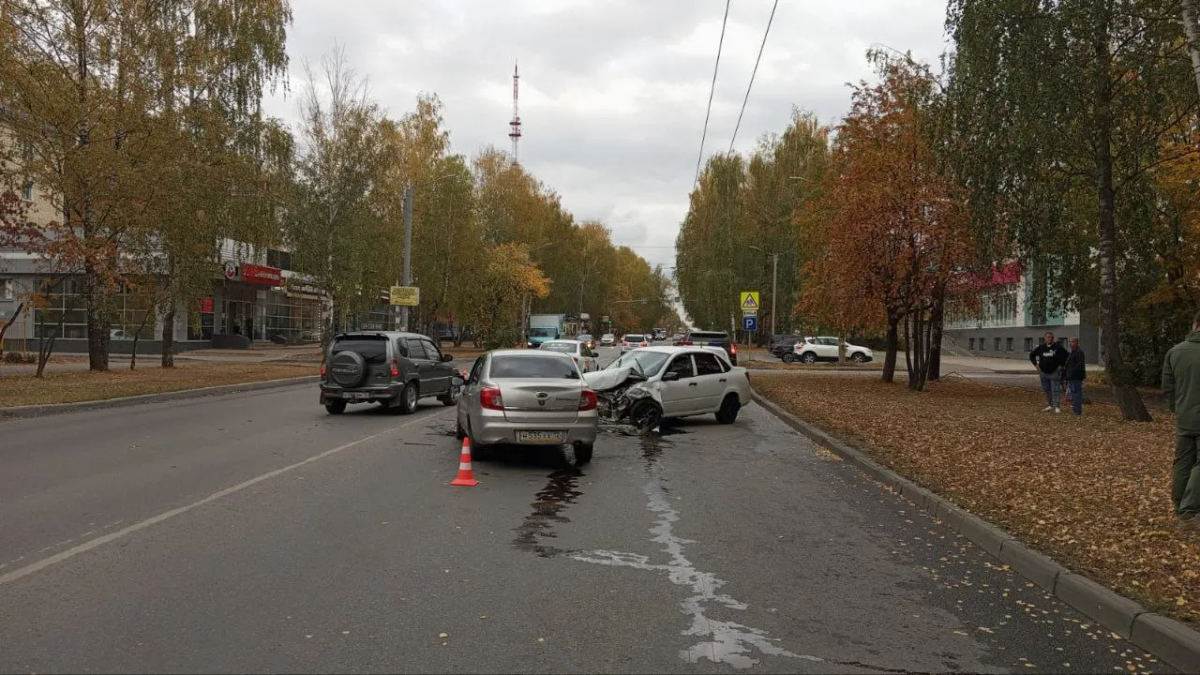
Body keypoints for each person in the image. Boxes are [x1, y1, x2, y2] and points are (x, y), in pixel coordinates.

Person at [1162, 311, 1200, 522]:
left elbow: (1168, 386)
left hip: (1185, 415)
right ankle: (1189, 508)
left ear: (1195, 324)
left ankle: (1178, 502)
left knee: (1183, 461)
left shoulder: (1175, 352)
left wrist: (1179, 406)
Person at [1030, 331, 1069, 413]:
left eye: (1051, 337)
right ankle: (1050, 405)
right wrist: (1036, 366)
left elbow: (1067, 356)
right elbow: (1031, 355)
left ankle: (1057, 406)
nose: (1050, 339)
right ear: (1045, 338)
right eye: (1048, 337)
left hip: (1054, 372)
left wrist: (1061, 366)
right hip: (1043, 373)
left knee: (1055, 389)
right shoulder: (1041, 348)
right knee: (1047, 389)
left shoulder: (1058, 348)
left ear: (1053, 338)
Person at [1063, 337, 1086, 416]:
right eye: (1069, 342)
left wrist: (1072, 372)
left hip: (1076, 376)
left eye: (1072, 342)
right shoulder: (1072, 352)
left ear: (1076, 342)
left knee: (1076, 393)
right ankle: (1075, 409)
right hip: (1071, 376)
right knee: (1073, 393)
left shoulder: (1079, 352)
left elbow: (1079, 364)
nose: (1070, 343)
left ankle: (1077, 411)